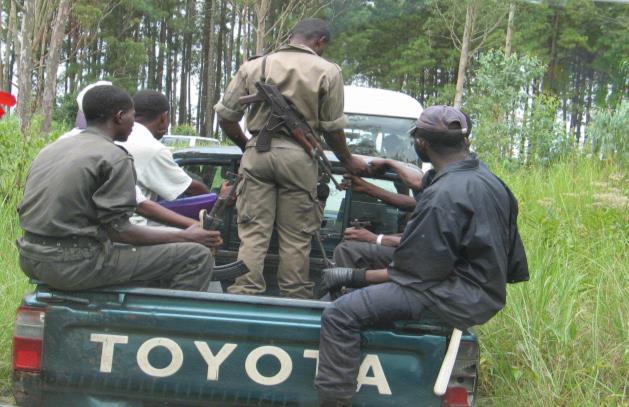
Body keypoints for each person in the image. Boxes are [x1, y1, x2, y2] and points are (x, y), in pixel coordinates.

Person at [314, 105, 529, 406]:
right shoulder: (479, 178)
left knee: (339, 314)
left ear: (422, 143)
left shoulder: (444, 198)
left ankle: (334, 400)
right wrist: (388, 162)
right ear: (463, 141)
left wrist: (353, 276)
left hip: (453, 294)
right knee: (357, 253)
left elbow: (415, 274)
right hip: (475, 285)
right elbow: (419, 183)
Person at [214, 18, 368, 299]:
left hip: (257, 155)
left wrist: (246, 144)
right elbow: (333, 129)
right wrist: (348, 161)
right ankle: (294, 296)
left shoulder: (254, 66)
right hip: (300, 157)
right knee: (297, 236)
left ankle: (246, 291)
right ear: (319, 41)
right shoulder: (328, 71)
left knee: (252, 231)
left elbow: (226, 115)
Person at [16, 85, 223, 291]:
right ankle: (165, 324)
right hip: (73, 264)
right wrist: (187, 235)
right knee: (196, 255)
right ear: (120, 116)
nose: (135, 124)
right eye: (133, 116)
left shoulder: (53, 149)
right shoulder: (115, 156)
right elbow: (120, 231)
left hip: (30, 257)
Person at [118, 90, 210, 206]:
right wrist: (217, 198)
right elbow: (190, 189)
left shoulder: (119, 136)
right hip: (137, 221)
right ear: (164, 117)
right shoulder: (152, 148)